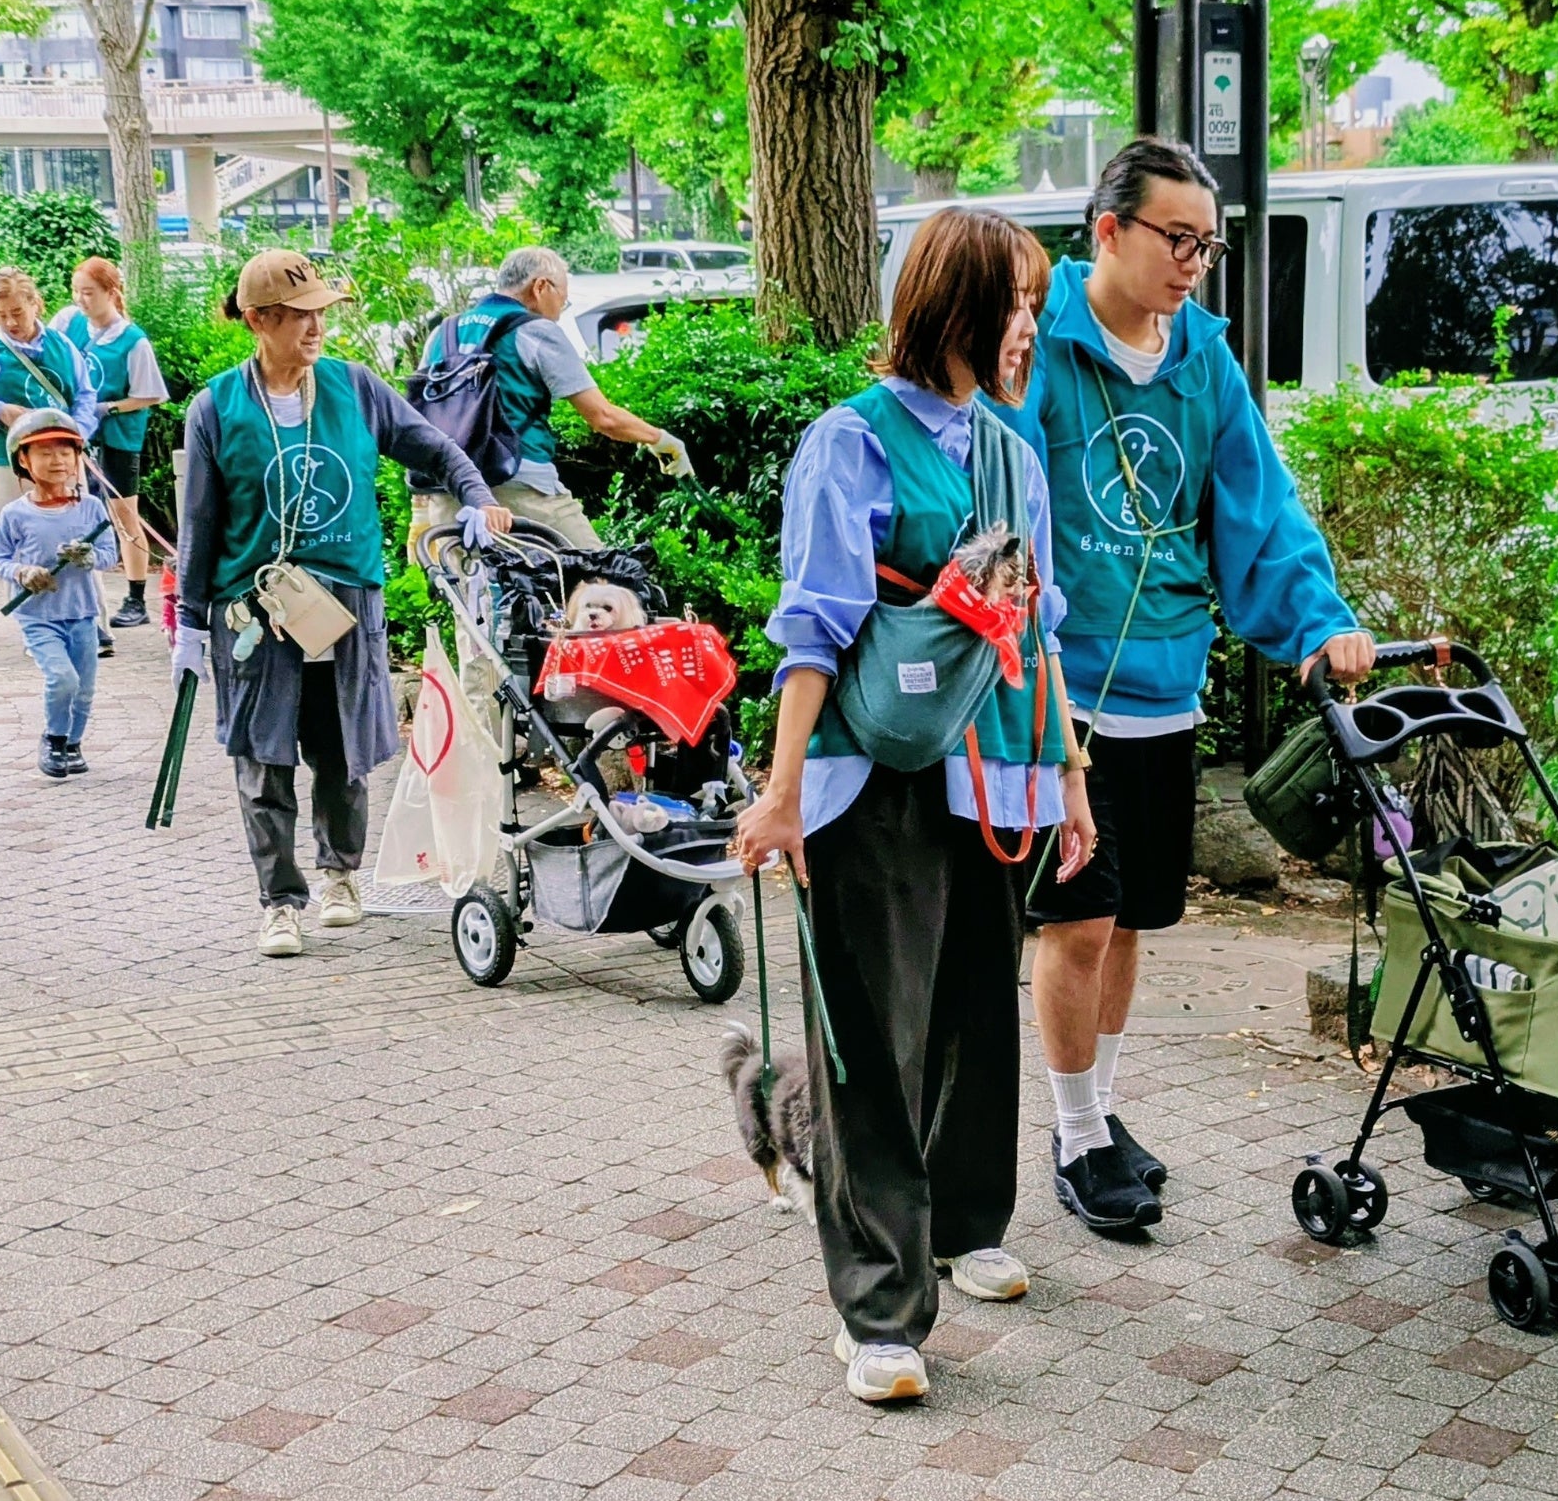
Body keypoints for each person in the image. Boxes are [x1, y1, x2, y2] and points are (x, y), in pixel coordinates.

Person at [732, 207, 1097, 1405]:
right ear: (953, 306)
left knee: (975, 1015)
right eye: (1014, 303)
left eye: (1034, 305)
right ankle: (880, 1309)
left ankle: (964, 1219)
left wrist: (1071, 775)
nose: (1028, 327)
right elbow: (812, 627)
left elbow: (1040, 628)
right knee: (874, 1043)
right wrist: (782, 792)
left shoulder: (1014, 455)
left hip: (991, 773)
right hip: (868, 774)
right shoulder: (852, 442)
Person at [1001, 137, 1375, 1237]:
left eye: (1207, 246)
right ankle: (1074, 1137)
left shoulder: (1204, 359)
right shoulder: (1041, 341)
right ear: (1108, 231)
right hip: (1059, 690)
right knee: (1078, 920)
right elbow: (997, 506)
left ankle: (1099, 1111)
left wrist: (1319, 621)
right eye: (1177, 240)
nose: (1193, 263)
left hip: (1166, 682)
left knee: (1128, 925)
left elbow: (1261, 508)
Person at [176, 247, 506, 958]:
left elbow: (434, 448)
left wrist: (476, 498)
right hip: (255, 608)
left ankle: (339, 876)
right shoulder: (216, 407)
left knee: (342, 749)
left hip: (345, 601)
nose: (316, 326)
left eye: (321, 313)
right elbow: (199, 522)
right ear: (258, 321)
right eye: (300, 315)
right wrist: (188, 623)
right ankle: (278, 903)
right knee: (261, 756)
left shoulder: (354, 387)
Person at [416, 246, 695, 549]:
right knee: (599, 572)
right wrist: (660, 440)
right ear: (540, 287)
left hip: (449, 492)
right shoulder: (535, 331)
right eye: (563, 298)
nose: (561, 310)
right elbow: (603, 417)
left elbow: (420, 418)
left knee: (469, 579)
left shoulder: (442, 333)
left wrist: (420, 507)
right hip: (523, 487)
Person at [0, 406, 114, 779]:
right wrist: (22, 571)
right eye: (45, 453)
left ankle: (73, 744)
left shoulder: (92, 508)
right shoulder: (15, 514)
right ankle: (54, 739)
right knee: (63, 678)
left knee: (85, 688)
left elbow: (109, 555)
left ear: (78, 458)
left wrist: (89, 557)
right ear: (23, 460)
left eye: (65, 452)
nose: (57, 461)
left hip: (83, 614)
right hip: (38, 616)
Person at [59, 256, 166, 626]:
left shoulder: (132, 341)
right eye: (76, 291)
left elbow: (149, 394)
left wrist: (108, 408)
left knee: (124, 515)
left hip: (118, 437)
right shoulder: (69, 322)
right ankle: (77, 594)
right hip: (75, 433)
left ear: (110, 292)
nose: (81, 299)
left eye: (89, 292)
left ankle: (136, 599)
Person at [0, 266, 101, 508]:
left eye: (17, 312)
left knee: (73, 525)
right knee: (23, 528)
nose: (10, 322)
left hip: (64, 460)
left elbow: (85, 393)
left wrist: (78, 431)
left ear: (35, 304)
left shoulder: (61, 343)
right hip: (13, 465)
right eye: (1, 315)